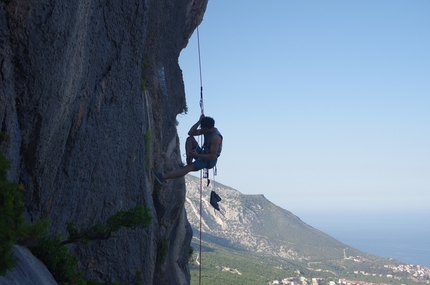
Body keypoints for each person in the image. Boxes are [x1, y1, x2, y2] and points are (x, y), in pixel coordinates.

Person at [152, 115, 222, 184]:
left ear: (211, 128)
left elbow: (212, 156)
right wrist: (199, 121)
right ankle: (189, 157)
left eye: (205, 130)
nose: (203, 131)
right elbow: (190, 133)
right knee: (190, 139)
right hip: (203, 153)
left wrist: (197, 155)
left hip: (210, 160)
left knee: (188, 168)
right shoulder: (205, 130)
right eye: (202, 129)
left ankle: (163, 177)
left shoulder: (216, 137)